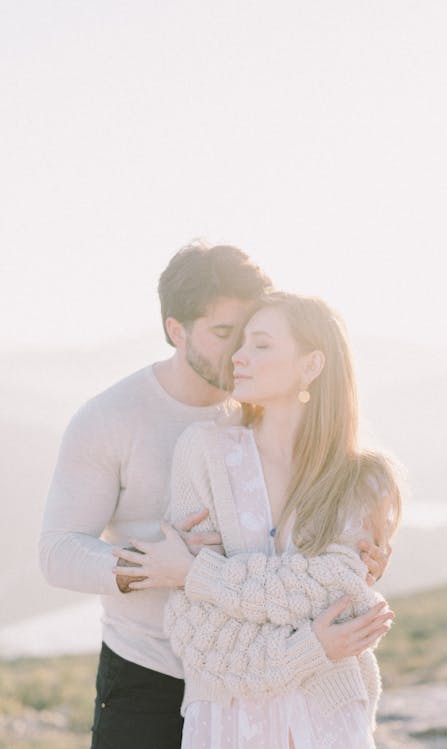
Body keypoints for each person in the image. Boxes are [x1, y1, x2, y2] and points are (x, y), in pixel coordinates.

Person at [40, 243, 391, 749]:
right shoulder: (111, 419)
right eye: (225, 335)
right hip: (150, 669)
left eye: (251, 336)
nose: (238, 354)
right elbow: (57, 552)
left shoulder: (268, 401)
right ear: (176, 331)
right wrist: (154, 567)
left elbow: (320, 543)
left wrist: (359, 560)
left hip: (282, 675)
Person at [114, 292, 401, 748]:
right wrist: (311, 648)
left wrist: (196, 573)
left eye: (261, 345)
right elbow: (198, 634)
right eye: (241, 343)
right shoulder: (204, 454)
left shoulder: (363, 481)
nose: (239, 358)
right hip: (226, 722)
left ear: (311, 365)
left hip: (330, 723)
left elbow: (340, 598)